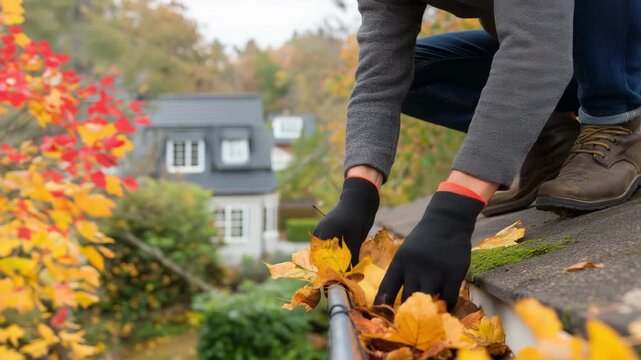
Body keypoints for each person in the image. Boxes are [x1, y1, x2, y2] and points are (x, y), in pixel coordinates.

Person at [313, 0, 641, 310]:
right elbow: (379, 78)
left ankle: (620, 120)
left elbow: (538, 46)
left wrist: (454, 210)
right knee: (415, 70)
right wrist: (358, 193)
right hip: (569, 49)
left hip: (617, 45)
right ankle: (551, 139)